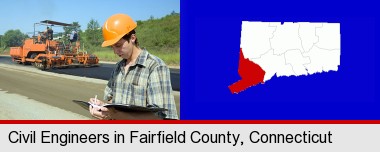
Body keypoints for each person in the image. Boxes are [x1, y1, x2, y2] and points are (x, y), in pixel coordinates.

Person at [89, 13, 178, 120]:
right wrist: (102, 107)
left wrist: (114, 115)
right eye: (112, 47)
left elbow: (159, 117)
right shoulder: (118, 67)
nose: (115, 51)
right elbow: (113, 102)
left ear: (132, 38)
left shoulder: (154, 67)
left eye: (118, 45)